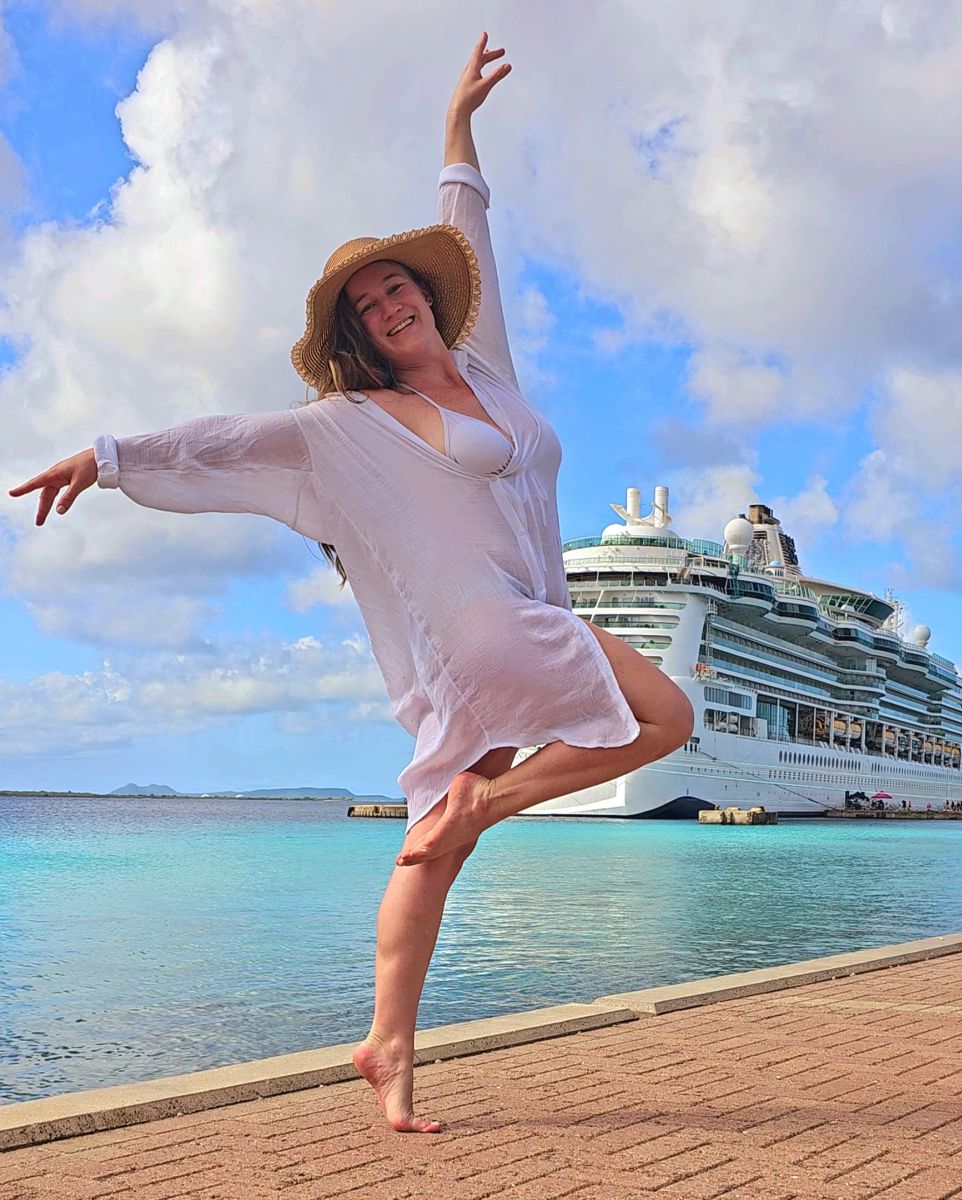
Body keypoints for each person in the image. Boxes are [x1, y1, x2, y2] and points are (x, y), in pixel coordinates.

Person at [8, 34, 694, 1133]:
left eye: (398, 287)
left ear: (426, 297)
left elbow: (474, 232)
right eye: (368, 306)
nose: (390, 306)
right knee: (668, 715)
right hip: (494, 627)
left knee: (436, 844)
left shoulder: (489, 371)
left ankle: (387, 1045)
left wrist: (456, 133)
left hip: (519, 621)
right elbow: (230, 439)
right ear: (359, 337)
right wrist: (113, 454)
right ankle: (494, 799)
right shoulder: (348, 425)